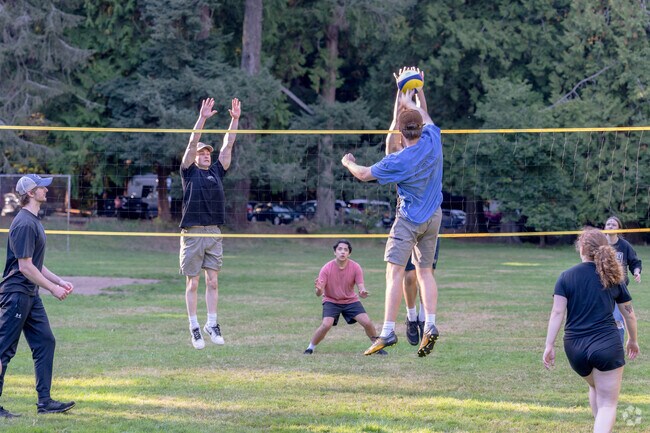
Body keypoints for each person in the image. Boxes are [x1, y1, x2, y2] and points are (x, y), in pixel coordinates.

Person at [342, 77, 444, 357]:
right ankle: (430, 324)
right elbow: (425, 114)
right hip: (434, 217)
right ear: (421, 129)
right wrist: (417, 92)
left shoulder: (398, 161)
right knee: (425, 273)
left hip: (409, 219)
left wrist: (348, 162)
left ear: (400, 135)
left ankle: (387, 331)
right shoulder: (434, 139)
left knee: (394, 272)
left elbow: (363, 175)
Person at [543, 228, 639, 433]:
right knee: (608, 404)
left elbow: (557, 313)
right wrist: (633, 339)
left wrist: (549, 345)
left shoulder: (566, 276)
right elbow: (629, 314)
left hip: (574, 348)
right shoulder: (613, 277)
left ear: (582, 249)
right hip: (606, 345)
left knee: (595, 386)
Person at [0, 174, 76, 417]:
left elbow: (34, 263)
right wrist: (52, 289)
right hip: (16, 295)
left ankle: (45, 402)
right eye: (41, 186)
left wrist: (58, 281)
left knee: (45, 341)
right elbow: (24, 267)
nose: (46, 189)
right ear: (30, 193)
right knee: (3, 351)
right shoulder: (23, 223)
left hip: (30, 294)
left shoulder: (33, 220)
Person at [384, 67, 441, 347]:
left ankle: (421, 319)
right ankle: (413, 317)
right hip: (413, 216)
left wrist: (416, 90)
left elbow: (415, 119)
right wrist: (404, 91)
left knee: (421, 273)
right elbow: (402, 121)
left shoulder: (424, 143)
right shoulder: (397, 151)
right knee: (409, 277)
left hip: (420, 217)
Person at [179, 97, 241, 349]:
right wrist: (203, 117)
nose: (205, 155)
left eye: (207, 153)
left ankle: (211, 323)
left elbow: (228, 145)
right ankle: (194, 326)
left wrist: (234, 120)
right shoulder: (188, 171)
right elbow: (193, 141)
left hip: (213, 232)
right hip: (192, 233)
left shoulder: (216, 171)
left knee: (213, 281)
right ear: (194, 157)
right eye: (201, 153)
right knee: (192, 282)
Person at [304, 240, 386, 355]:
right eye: (340, 249)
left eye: (346, 250)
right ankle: (310, 347)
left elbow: (361, 286)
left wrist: (362, 292)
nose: (342, 252)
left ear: (349, 254)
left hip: (350, 301)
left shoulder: (355, 267)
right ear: (335, 252)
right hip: (331, 300)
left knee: (367, 322)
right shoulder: (326, 268)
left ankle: (377, 347)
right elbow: (319, 293)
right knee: (326, 324)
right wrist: (319, 289)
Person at [604, 216, 642, 344]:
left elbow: (634, 262)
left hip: (619, 289)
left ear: (618, 229)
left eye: (613, 224)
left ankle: (617, 346)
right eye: (608, 224)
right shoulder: (600, 244)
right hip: (602, 288)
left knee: (618, 319)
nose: (610, 226)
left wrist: (636, 272)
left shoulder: (624, 245)